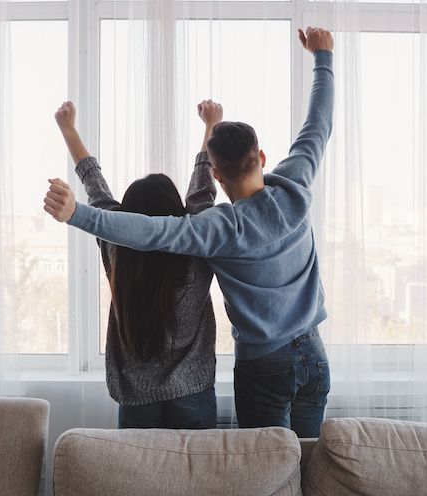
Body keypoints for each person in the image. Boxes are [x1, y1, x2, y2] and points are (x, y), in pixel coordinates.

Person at [43, 27, 335, 438]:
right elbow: (316, 127)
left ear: (218, 172)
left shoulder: (215, 229)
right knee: (308, 460)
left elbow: (147, 232)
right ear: (263, 156)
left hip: (259, 366)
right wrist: (324, 59)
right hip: (314, 353)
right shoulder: (295, 185)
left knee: (266, 463)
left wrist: (78, 213)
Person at [53, 98, 225, 429]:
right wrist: (210, 127)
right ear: (177, 214)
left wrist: (69, 130)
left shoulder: (117, 246)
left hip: (135, 396)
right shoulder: (197, 244)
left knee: (137, 478)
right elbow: (202, 192)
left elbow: (96, 190)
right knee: (199, 478)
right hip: (193, 390)